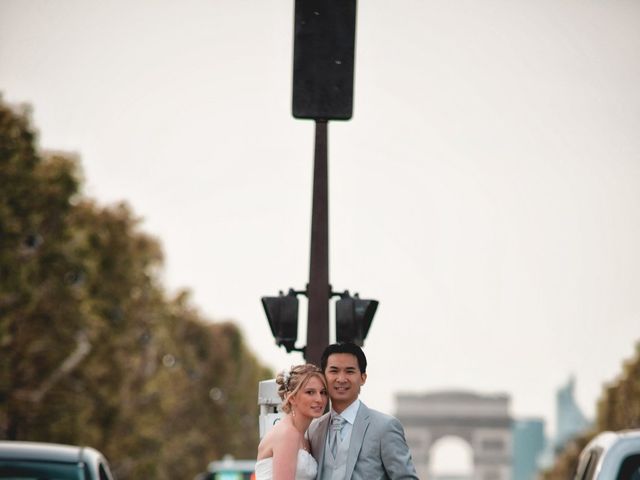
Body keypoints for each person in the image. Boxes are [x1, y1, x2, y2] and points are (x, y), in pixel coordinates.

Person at [307, 343, 419, 480]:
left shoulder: (385, 427)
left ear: (363, 378)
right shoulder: (314, 430)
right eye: (334, 371)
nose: (341, 379)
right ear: (323, 377)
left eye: (349, 371)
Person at [256, 363, 328, 480]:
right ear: (292, 397)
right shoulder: (288, 434)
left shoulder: (303, 437)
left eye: (323, 392)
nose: (319, 399)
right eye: (310, 392)